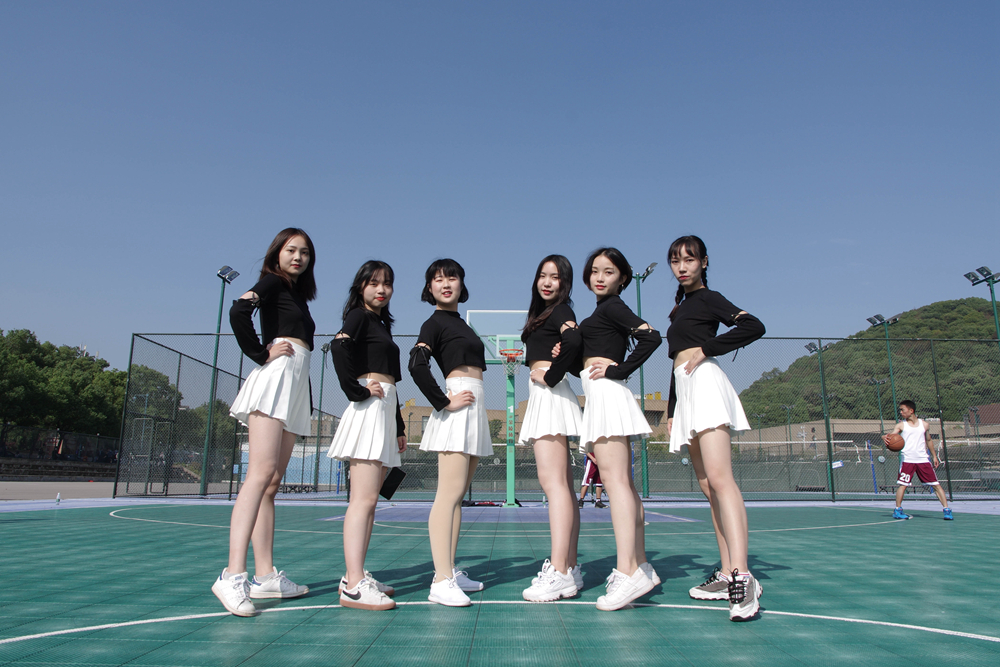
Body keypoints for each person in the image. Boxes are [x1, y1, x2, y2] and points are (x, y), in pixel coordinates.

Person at [215, 228, 316, 617]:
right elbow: (239, 310)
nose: (298, 257)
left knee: (272, 483)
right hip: (276, 377)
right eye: (291, 250)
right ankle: (232, 575)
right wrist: (260, 353)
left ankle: (265, 576)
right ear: (277, 254)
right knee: (259, 475)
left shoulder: (295, 293)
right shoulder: (272, 282)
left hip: (296, 384)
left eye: (304, 252)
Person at [664, 235, 766, 622]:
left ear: (704, 262)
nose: (682, 266)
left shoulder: (709, 298)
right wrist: (672, 410)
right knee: (709, 488)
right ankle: (726, 573)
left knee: (721, 480)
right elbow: (676, 361)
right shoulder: (680, 309)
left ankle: (743, 576)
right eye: (676, 261)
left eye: (689, 259)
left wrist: (709, 349)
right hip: (686, 394)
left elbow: (753, 326)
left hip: (706, 384)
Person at [578, 247, 662, 611]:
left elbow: (652, 337)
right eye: (595, 271)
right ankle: (639, 565)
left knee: (616, 485)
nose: (600, 277)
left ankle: (628, 571)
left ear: (623, 278)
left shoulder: (612, 307)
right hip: (602, 395)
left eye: (609, 271)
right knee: (622, 484)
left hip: (608, 394)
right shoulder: (602, 311)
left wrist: (618, 370)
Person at [409, 259, 491, 607]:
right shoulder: (433, 323)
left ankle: (449, 571)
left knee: (457, 497)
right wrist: (444, 401)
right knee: (448, 494)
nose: (445, 284)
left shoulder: (461, 323)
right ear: (429, 288)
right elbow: (416, 363)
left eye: (452, 277)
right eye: (438, 279)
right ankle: (441, 580)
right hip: (457, 406)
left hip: (474, 405)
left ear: (461, 283)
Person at [327, 261, 409, 611]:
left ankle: (355, 575)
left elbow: (391, 382)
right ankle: (354, 585)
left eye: (387, 283)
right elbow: (338, 346)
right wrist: (357, 391)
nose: (382, 289)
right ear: (360, 286)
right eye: (374, 283)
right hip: (369, 408)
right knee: (362, 500)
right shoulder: (359, 316)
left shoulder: (380, 324)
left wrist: (399, 427)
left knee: (371, 501)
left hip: (385, 411)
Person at [518, 254, 585, 602]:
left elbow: (574, 341)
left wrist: (552, 375)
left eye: (555, 277)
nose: (547, 282)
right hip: (548, 395)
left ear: (565, 283)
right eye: (542, 275)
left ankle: (559, 571)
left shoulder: (560, 311)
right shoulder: (545, 314)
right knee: (563, 487)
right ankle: (569, 567)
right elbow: (569, 344)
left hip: (549, 395)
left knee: (554, 484)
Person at [884, 400, 953, 520]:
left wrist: (934, 456)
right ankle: (898, 510)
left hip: (923, 460)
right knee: (903, 485)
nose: (901, 412)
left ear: (911, 410)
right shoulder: (901, 425)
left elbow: (929, 440)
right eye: (900, 410)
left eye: (902, 410)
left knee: (936, 485)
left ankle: (947, 510)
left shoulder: (924, 425)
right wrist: (884, 437)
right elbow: (890, 436)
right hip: (907, 460)